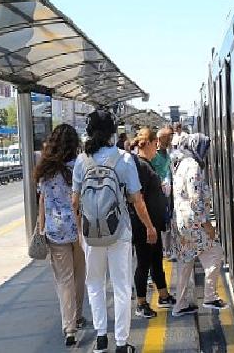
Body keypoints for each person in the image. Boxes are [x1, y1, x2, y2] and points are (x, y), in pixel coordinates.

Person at [72, 110, 158, 353]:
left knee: (95, 283)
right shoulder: (124, 159)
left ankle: (101, 338)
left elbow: (75, 202)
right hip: (119, 231)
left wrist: (82, 232)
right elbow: (137, 199)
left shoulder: (81, 161)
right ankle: (121, 343)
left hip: (91, 233)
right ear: (113, 133)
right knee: (121, 286)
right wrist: (150, 226)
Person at [34, 124, 86, 347]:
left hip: (55, 231)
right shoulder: (79, 166)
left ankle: (69, 327)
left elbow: (43, 201)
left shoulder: (45, 170)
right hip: (80, 230)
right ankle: (79, 316)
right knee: (79, 275)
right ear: (74, 144)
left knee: (64, 280)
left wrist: (41, 227)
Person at [172, 133, 227, 316]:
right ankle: (210, 297)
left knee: (186, 263)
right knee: (215, 252)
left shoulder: (181, 164)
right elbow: (195, 198)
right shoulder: (193, 166)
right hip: (194, 222)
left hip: (182, 222)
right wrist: (207, 224)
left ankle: (179, 305)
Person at [130, 128, 176, 318]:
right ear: (147, 144)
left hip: (153, 224)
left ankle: (163, 295)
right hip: (144, 225)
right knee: (143, 262)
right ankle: (141, 302)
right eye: (154, 144)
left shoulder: (145, 164)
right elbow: (138, 198)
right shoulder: (140, 166)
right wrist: (149, 226)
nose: (157, 148)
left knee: (156, 259)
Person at [152, 127, 176, 261]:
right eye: (168, 138)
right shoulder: (155, 155)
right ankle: (164, 249)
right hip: (159, 192)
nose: (170, 141)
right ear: (161, 139)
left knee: (168, 219)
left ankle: (167, 249)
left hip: (168, 191)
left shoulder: (167, 153)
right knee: (163, 220)